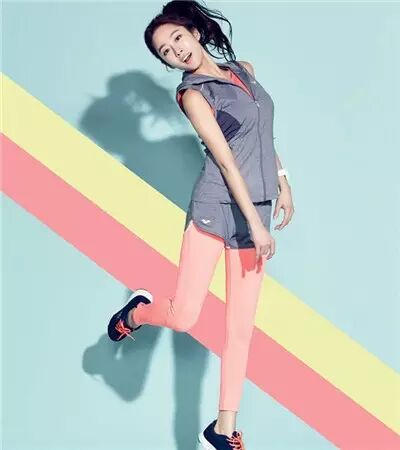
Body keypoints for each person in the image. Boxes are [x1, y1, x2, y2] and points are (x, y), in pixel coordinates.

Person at [107, 1, 294, 449]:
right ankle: (135, 313)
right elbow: (227, 162)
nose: (176, 51)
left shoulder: (244, 71)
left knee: (240, 327)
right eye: (166, 52)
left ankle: (223, 428)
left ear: (193, 31)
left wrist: (283, 182)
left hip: (257, 207)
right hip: (216, 209)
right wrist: (256, 226)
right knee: (185, 316)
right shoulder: (194, 95)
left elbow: (259, 135)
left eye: (177, 39)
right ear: (167, 64)